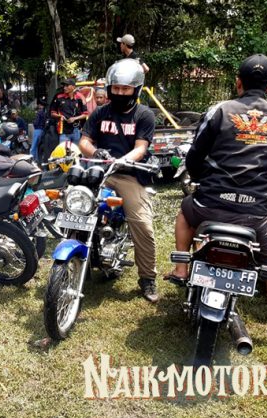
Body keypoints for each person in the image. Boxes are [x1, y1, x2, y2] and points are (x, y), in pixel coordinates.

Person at [166, 54, 267, 350]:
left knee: (185, 212)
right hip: (255, 214)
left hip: (210, 204)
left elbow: (195, 155)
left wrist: (200, 176)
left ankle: (181, 268)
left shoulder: (220, 110)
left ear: (238, 82)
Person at [79, 58, 159, 303]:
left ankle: (147, 278)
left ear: (136, 89)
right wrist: (96, 153)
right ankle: (79, 256)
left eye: (126, 89)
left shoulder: (144, 115)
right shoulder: (100, 112)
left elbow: (141, 148)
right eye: (116, 88)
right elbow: (84, 141)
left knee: (142, 224)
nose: (121, 93)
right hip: (99, 171)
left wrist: (122, 160)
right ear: (110, 88)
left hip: (128, 174)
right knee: (75, 207)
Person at [50, 78, 88, 144]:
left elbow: (85, 114)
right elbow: (52, 113)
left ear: (73, 87)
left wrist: (74, 118)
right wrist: (60, 116)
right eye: (64, 86)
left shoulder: (79, 98)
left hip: (76, 130)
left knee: (76, 150)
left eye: (67, 86)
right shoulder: (59, 98)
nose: (64, 88)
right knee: (63, 150)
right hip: (63, 131)